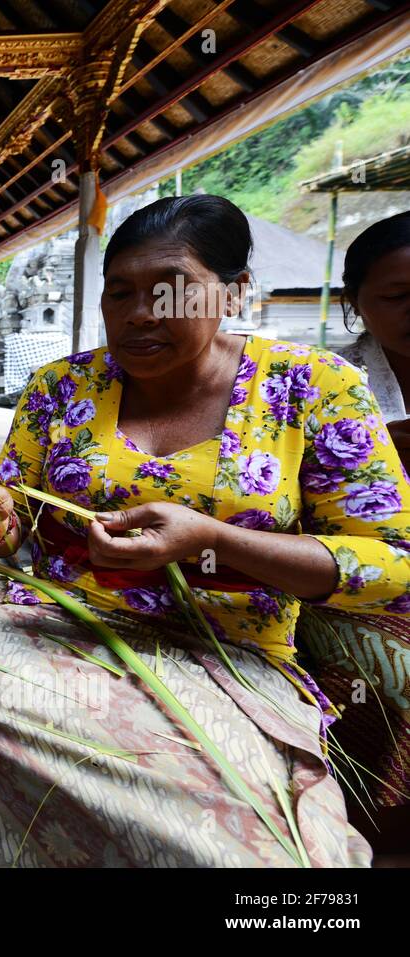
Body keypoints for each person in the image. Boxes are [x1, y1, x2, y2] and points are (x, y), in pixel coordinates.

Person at [0, 195, 410, 866]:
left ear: (234, 292)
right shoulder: (60, 388)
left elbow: (391, 565)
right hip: (55, 628)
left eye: (171, 290)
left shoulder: (315, 387)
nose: (141, 312)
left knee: (266, 854)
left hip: (228, 648)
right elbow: (16, 521)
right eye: (120, 294)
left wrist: (215, 539)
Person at [297, 211, 410, 845]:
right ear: (355, 305)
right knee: (391, 674)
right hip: (352, 579)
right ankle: (375, 835)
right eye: (398, 297)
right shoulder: (323, 387)